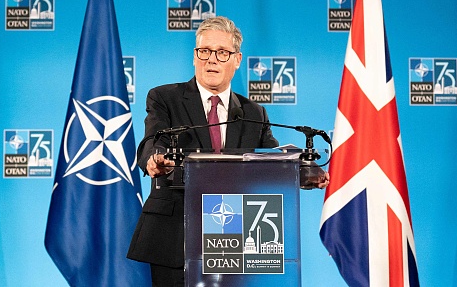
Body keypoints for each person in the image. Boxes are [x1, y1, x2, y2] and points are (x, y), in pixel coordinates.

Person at [127, 16, 328, 286]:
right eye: (205, 51)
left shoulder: (253, 112)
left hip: (237, 238)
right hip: (175, 235)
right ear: (195, 57)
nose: (212, 59)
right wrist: (155, 159)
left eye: (222, 53)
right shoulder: (165, 98)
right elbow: (154, 139)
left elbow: (273, 160)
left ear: (237, 60)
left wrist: (306, 173)